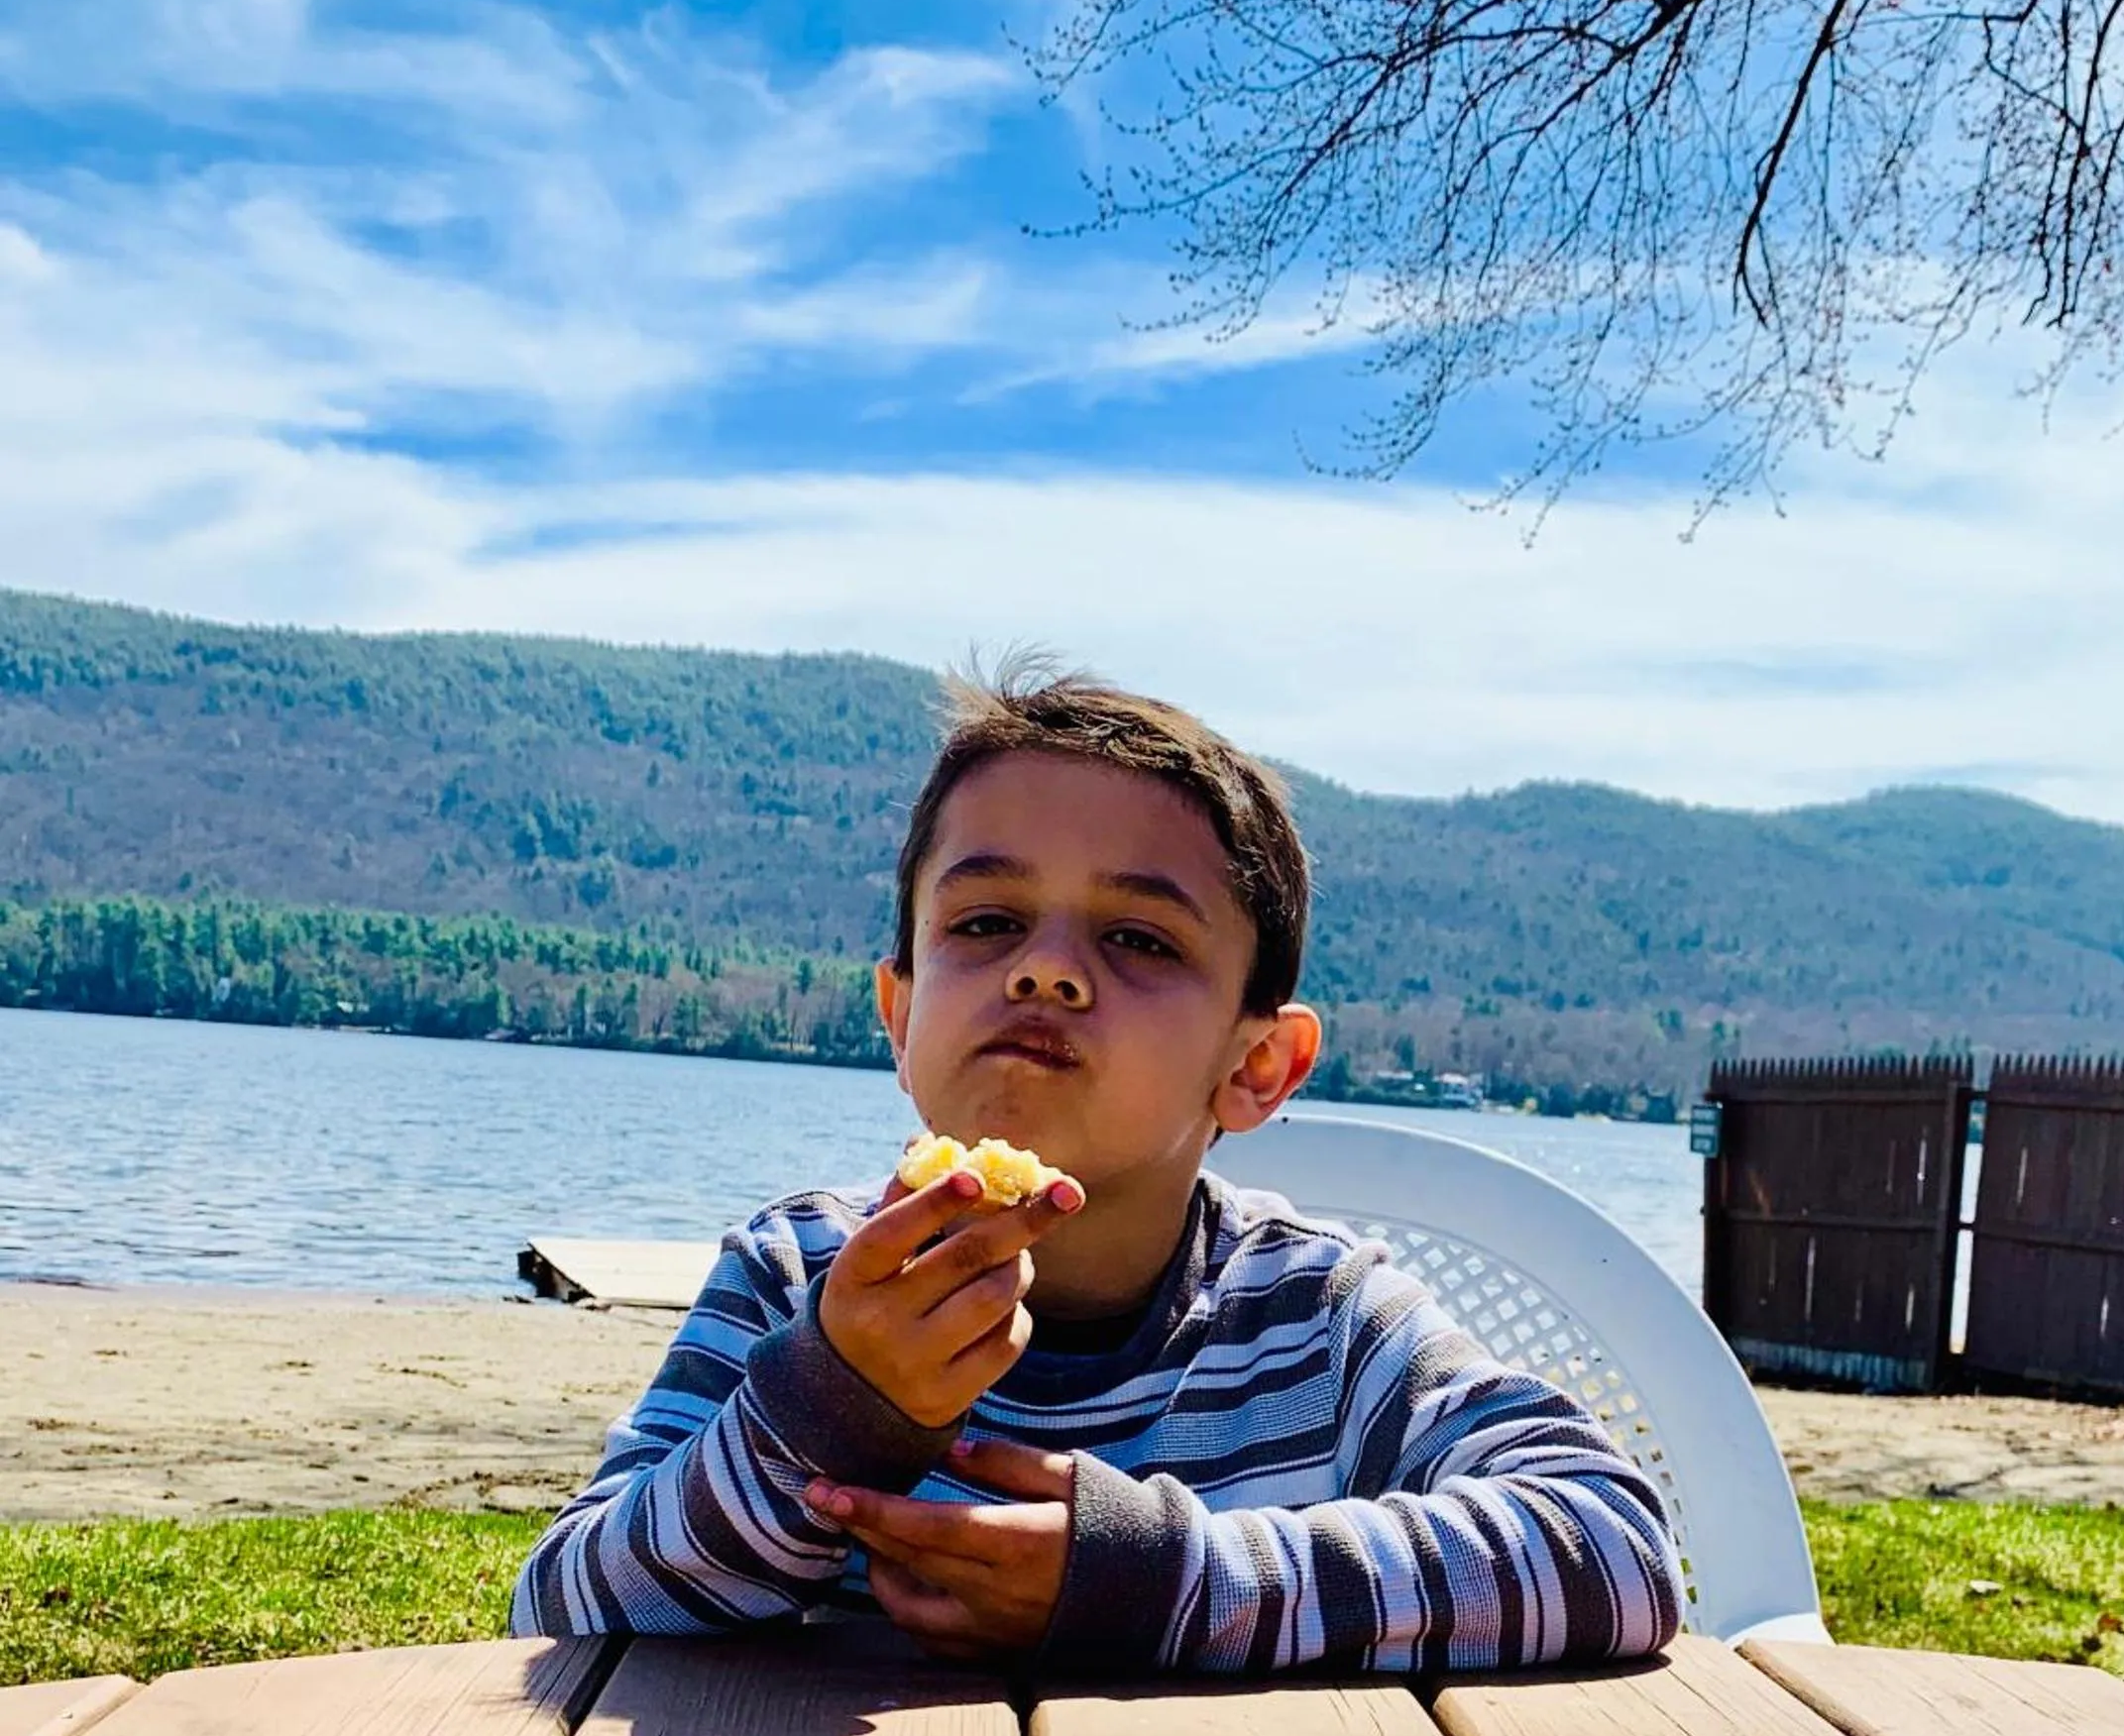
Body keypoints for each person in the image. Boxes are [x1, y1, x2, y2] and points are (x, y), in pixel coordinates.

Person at [510, 663, 1682, 1672]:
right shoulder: (795, 1277)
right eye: (984, 923)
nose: (1046, 971)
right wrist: (830, 1404)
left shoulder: (1316, 1323)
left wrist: (1165, 1582)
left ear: (1257, 1065)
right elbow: (559, 1611)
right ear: (899, 1017)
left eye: (1137, 938)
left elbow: (1614, 1547)